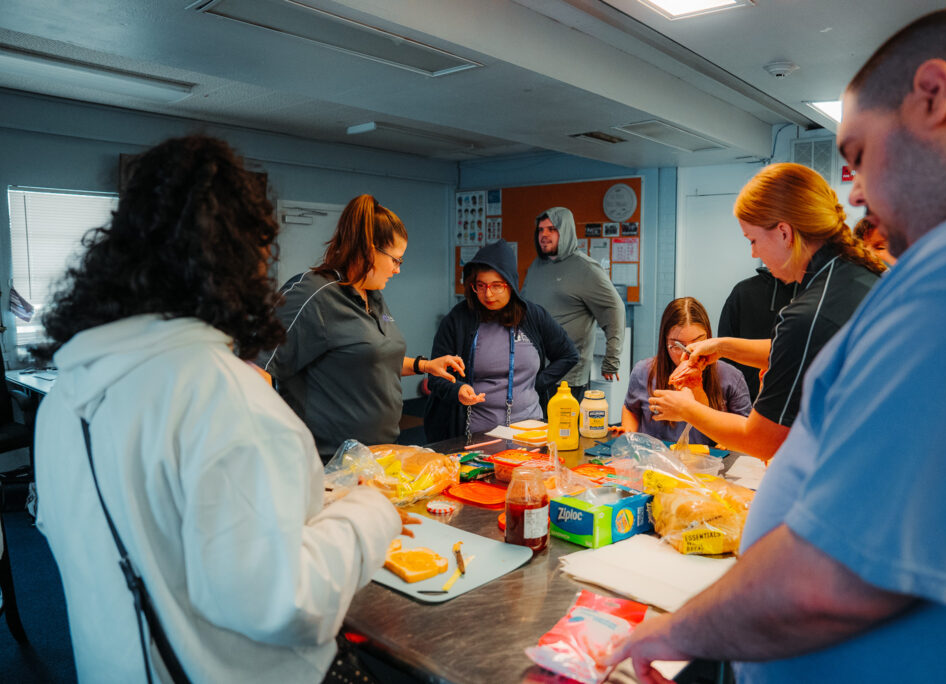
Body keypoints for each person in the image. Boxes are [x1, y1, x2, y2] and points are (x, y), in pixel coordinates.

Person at [606, 8, 946, 682]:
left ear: (934, 95)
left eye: (856, 155)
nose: (854, 189)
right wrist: (732, 343)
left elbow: (833, 577)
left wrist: (677, 632)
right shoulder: (918, 272)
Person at [32, 136, 413, 682]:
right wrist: (369, 512)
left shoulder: (67, 398)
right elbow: (286, 603)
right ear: (236, 260)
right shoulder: (228, 401)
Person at [649, 163, 884, 460]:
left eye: (753, 240)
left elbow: (761, 441)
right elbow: (814, 348)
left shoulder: (808, 314)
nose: (754, 254)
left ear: (784, 232)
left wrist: (687, 409)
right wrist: (721, 346)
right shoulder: (858, 276)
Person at [259, 194, 463, 460]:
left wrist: (424, 365)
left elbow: (371, 358)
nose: (398, 269)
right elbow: (257, 367)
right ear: (369, 250)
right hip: (327, 463)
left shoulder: (373, 295)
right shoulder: (313, 294)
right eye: (395, 260)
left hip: (378, 456)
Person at [423, 239, 577, 442]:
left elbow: (568, 355)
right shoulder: (457, 320)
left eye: (497, 286)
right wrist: (457, 390)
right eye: (481, 285)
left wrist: (536, 383)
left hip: (529, 431)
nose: (488, 294)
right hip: (474, 434)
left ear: (511, 284)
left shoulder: (532, 315)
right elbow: (436, 377)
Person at [521, 207, 625, 401]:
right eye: (540, 230)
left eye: (551, 229)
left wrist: (612, 360)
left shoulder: (586, 268)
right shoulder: (536, 266)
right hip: (533, 373)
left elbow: (615, 309)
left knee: (564, 432)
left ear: (566, 231)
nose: (544, 235)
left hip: (567, 379)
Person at [620, 297, 751, 446]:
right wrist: (627, 434)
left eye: (697, 342)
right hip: (654, 462)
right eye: (677, 346)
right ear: (665, 343)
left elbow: (747, 432)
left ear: (709, 338)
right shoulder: (643, 371)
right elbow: (631, 409)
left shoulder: (732, 377)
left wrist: (730, 444)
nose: (688, 354)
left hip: (710, 465)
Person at [717, 268, 796, 402]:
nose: (754, 253)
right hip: (745, 399)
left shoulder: (814, 294)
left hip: (797, 400)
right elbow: (725, 359)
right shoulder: (743, 291)